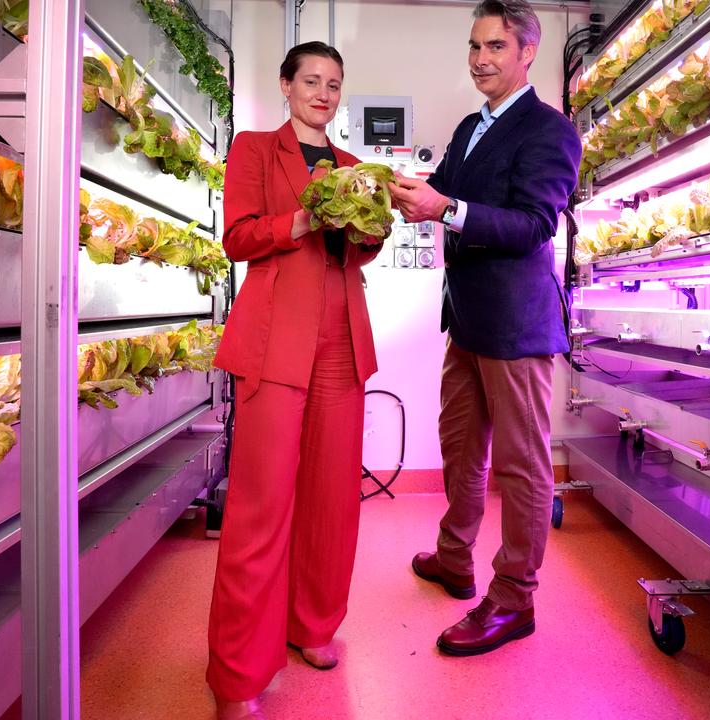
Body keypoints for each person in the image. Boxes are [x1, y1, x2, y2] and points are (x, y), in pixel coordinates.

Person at [390, 0, 581, 657]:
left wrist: (446, 207)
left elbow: (534, 224)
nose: (480, 59)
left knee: (521, 467)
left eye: (495, 46)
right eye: (475, 46)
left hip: (518, 326)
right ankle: (454, 557)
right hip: (467, 320)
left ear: (527, 51)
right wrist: (397, 188)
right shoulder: (473, 126)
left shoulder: (548, 130)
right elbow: (443, 191)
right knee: (463, 447)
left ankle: (513, 599)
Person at [207, 42, 384, 720]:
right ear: (286, 85)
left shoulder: (351, 165)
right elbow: (239, 238)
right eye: (311, 80)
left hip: (341, 339)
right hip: (275, 341)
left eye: (333, 84)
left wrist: (369, 222)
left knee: (333, 498)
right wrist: (304, 219)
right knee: (258, 506)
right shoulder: (254, 150)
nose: (323, 93)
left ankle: (313, 626)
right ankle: (237, 675)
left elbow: (361, 247)